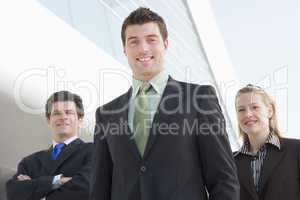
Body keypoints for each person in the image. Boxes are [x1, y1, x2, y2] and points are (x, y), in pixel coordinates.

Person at [90, 7, 239, 200]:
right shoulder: (106, 114)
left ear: (165, 44)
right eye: (133, 42)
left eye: (151, 40)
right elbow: (100, 188)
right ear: (124, 49)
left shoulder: (199, 98)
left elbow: (223, 179)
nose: (143, 48)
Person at [6, 91, 92, 200]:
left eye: (69, 112)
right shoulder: (29, 162)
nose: (63, 117)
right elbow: (13, 193)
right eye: (56, 113)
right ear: (48, 120)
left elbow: (87, 187)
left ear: (80, 120)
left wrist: (34, 190)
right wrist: (59, 180)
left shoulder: (94, 151)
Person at [234, 84, 300, 200]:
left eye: (254, 107)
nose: (247, 114)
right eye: (241, 110)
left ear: (269, 111)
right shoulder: (230, 162)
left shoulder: (296, 150)